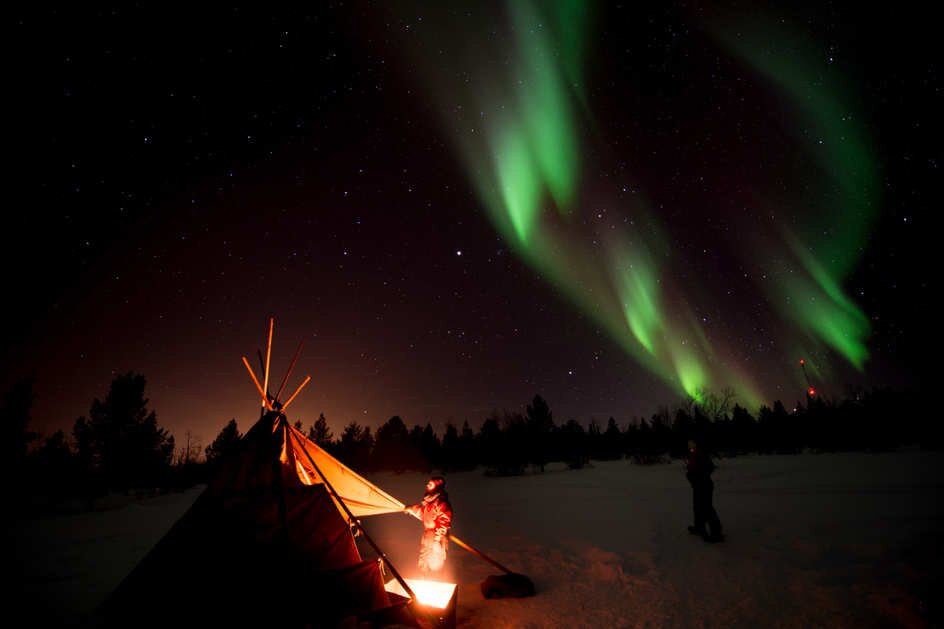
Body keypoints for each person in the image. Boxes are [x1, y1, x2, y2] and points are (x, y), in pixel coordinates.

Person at [403, 476, 454, 574]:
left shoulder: (441, 503)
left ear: (437, 487)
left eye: (430, 484)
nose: (427, 485)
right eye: (428, 484)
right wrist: (412, 509)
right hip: (428, 536)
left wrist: (437, 539)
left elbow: (444, 521)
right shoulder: (429, 502)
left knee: (435, 563)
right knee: (424, 560)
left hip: (437, 537)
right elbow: (423, 514)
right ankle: (423, 577)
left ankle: (436, 580)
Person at [686, 440, 723, 543]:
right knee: (697, 507)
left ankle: (716, 533)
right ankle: (699, 527)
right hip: (697, 485)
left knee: (707, 508)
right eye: (690, 445)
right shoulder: (692, 455)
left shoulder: (700, 454)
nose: (691, 447)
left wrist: (700, 476)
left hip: (704, 485)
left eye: (692, 445)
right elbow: (692, 470)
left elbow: (709, 467)